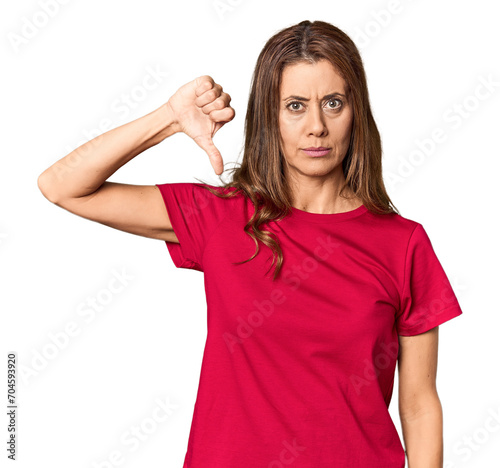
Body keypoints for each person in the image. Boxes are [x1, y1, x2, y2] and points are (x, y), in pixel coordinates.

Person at [38, 19, 463, 468]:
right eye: (295, 106)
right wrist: (169, 119)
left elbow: (418, 405)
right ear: (269, 116)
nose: (316, 126)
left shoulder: (403, 243)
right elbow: (62, 186)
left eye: (333, 103)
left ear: (356, 111)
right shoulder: (221, 217)